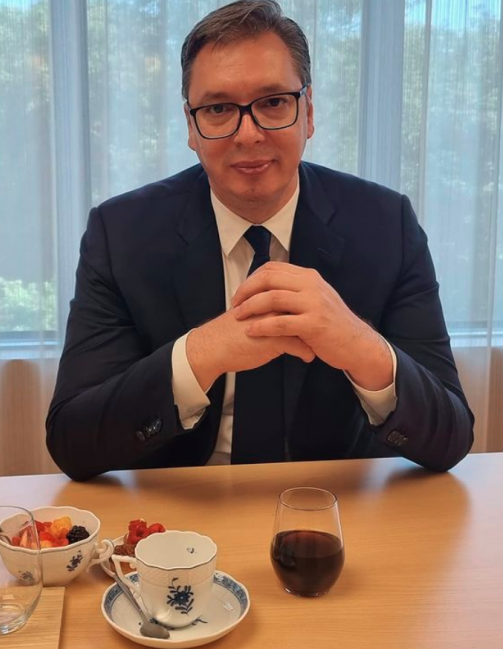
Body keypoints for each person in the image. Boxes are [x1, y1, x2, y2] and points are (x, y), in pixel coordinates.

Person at [46, 0, 474, 481]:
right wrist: (198, 356)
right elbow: (72, 441)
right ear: (191, 126)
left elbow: (451, 438)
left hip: (336, 509)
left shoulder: (386, 225)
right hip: (179, 512)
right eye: (218, 108)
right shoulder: (121, 232)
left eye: (273, 103)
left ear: (308, 113)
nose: (248, 135)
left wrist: (359, 346)